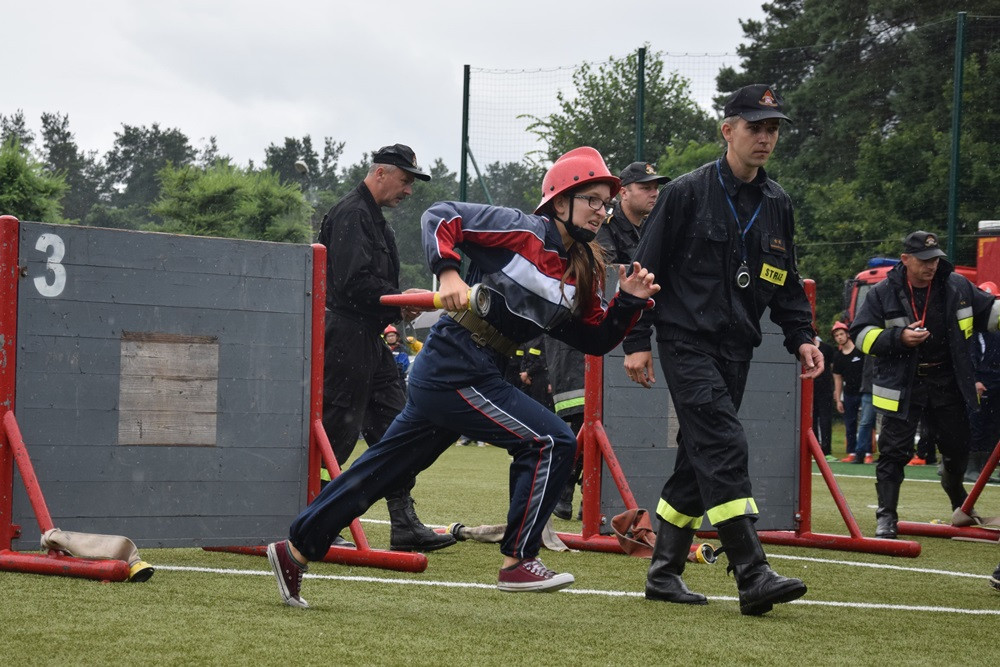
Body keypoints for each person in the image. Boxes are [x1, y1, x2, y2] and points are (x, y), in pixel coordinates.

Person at [267, 146, 661, 607]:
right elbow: (440, 215)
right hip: (457, 361)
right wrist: (448, 273)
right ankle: (518, 561)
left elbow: (594, 340)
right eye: (591, 199)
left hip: (474, 368)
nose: (601, 211)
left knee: (381, 471)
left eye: (605, 203)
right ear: (560, 202)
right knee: (550, 441)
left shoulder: (583, 268)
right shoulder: (524, 229)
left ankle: (294, 548)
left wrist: (629, 301)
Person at [622, 84, 823, 616]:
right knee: (725, 444)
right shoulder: (686, 193)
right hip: (686, 342)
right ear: (727, 130)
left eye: (773, 128)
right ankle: (752, 572)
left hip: (739, 349)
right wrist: (637, 342)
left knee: (698, 460)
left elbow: (786, 285)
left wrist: (802, 338)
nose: (765, 138)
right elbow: (644, 272)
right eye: (755, 127)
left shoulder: (778, 203)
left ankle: (663, 573)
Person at [316, 143, 454, 553]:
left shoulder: (372, 218)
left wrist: (398, 303)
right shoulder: (352, 214)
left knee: (399, 427)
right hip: (344, 335)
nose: (409, 191)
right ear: (380, 173)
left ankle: (403, 523)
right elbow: (352, 285)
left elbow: (366, 287)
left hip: (368, 336)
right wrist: (399, 299)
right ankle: (316, 520)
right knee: (337, 431)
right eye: (406, 180)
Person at [849, 230, 998, 539]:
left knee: (957, 449)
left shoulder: (956, 286)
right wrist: (899, 338)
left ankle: (958, 500)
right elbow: (860, 335)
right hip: (903, 385)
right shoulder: (882, 292)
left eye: (935, 260)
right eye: (924, 260)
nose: (931, 266)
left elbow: (991, 313)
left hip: (948, 382)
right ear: (906, 260)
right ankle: (886, 517)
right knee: (893, 452)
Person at [596, 161, 670, 264]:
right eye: (646, 188)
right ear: (624, 193)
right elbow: (610, 274)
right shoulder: (606, 226)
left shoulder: (652, 225)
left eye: (656, 188)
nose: (654, 194)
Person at [831, 322, 867, 463]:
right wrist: (839, 399)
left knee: (866, 422)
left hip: (864, 391)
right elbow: (837, 379)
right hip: (849, 393)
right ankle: (851, 452)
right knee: (850, 423)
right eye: (836, 335)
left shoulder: (860, 351)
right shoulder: (838, 357)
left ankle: (867, 452)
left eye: (841, 334)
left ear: (847, 334)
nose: (839, 337)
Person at [812, 330, 836, 459]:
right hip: (810, 390)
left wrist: (835, 390)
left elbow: (832, 369)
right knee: (812, 420)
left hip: (825, 389)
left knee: (825, 419)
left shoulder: (827, 349)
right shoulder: (801, 348)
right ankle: (814, 450)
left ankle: (826, 451)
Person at [382, 324, 410, 397]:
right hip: (385, 382)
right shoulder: (383, 348)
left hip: (398, 381)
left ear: (397, 337)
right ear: (385, 338)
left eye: (392, 336)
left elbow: (402, 365)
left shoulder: (401, 349)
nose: (391, 338)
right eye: (388, 336)